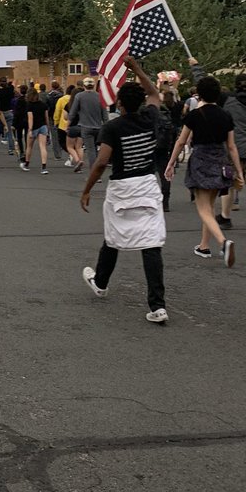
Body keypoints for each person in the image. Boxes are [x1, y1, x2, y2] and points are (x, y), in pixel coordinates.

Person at [80, 56, 169, 324]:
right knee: (151, 243)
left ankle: (101, 281)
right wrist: (137, 68)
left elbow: (101, 162)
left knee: (114, 236)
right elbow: (154, 93)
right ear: (140, 102)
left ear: (119, 103)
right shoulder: (150, 117)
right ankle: (158, 305)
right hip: (147, 182)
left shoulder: (113, 128)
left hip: (122, 186)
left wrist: (86, 190)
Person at [165, 74, 244, 266]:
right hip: (220, 159)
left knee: (203, 208)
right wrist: (238, 171)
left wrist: (171, 162)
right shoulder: (226, 115)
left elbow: (181, 141)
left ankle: (223, 242)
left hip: (201, 160)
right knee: (210, 206)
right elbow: (232, 146)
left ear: (199, 94)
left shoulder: (194, 115)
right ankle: (203, 245)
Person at [220, 73, 246, 227]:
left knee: (228, 183)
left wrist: (195, 67)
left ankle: (225, 216)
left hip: (233, 148)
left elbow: (207, 85)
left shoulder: (228, 100)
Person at [67, 78, 106, 168]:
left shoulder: (79, 96)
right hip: (98, 127)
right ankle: (98, 172)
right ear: (93, 85)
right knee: (96, 150)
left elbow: (72, 112)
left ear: (84, 86)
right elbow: (104, 114)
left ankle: (94, 172)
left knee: (91, 150)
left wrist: (68, 124)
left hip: (85, 127)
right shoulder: (100, 96)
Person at [23, 87, 51, 174]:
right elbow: (46, 118)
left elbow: (30, 119)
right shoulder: (43, 105)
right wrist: (48, 127)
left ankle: (27, 164)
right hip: (43, 126)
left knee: (29, 146)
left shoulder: (29, 105)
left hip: (34, 127)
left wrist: (30, 130)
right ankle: (44, 167)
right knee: (43, 147)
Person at [0, 76, 16, 156]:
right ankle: (11, 149)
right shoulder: (10, 90)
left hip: (0, 113)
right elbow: (13, 84)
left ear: (0, 83)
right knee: (9, 131)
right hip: (9, 111)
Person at [64, 84, 84, 171]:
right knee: (79, 146)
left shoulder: (69, 105)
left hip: (72, 127)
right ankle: (81, 162)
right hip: (82, 126)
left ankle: (77, 160)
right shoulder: (83, 105)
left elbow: (65, 117)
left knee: (70, 147)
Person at [46, 80, 64, 159]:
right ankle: (62, 147)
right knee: (62, 133)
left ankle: (57, 154)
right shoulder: (61, 96)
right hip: (61, 116)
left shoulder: (48, 96)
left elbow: (47, 107)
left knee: (54, 136)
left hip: (51, 116)